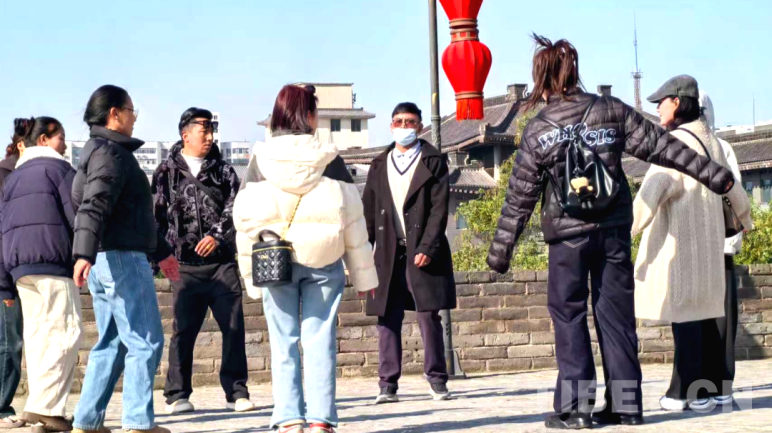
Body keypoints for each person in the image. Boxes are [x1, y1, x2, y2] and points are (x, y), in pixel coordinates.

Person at [486, 36, 737, 430]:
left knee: (569, 317)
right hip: (614, 232)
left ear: (542, 79)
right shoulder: (610, 110)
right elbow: (663, 147)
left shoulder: (538, 130)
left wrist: (501, 250)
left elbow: (520, 196)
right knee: (616, 317)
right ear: (574, 72)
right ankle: (626, 406)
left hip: (567, 238)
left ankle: (577, 409)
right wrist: (716, 176)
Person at [234, 84, 378, 433]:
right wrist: (364, 277)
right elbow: (353, 218)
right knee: (320, 340)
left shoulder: (260, 159)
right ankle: (320, 420)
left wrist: (249, 277)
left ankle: (288, 419)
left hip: (274, 262)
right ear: (309, 116)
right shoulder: (329, 158)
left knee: (282, 341)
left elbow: (244, 221)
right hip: (324, 260)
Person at [632, 77, 752, 412]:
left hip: (682, 245)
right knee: (705, 318)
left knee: (684, 319)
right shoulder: (713, 143)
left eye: (662, 101)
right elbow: (734, 189)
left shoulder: (674, 144)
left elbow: (650, 194)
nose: (657, 108)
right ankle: (711, 391)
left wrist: (622, 230)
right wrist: (745, 218)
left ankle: (682, 393)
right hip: (710, 246)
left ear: (677, 102)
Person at [70, 85, 180, 433]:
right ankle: (137, 423)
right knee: (145, 341)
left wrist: (162, 252)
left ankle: (87, 421)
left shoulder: (94, 152)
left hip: (106, 261)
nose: (134, 118)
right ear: (114, 114)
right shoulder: (111, 154)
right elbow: (94, 205)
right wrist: (83, 252)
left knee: (113, 344)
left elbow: (128, 216)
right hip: (121, 261)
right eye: (131, 111)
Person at [153, 107, 255, 414]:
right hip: (183, 266)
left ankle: (236, 392)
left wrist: (217, 236)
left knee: (233, 327)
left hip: (222, 265)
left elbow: (237, 207)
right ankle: (177, 394)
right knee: (183, 332)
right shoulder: (165, 172)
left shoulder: (224, 171)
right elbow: (156, 217)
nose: (210, 136)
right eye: (204, 130)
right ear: (185, 134)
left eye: (212, 130)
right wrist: (159, 258)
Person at [361, 102, 456, 404]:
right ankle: (387, 384)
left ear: (420, 126)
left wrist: (428, 246)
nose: (404, 127)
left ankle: (437, 380)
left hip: (422, 249)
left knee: (428, 315)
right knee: (387, 317)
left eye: (410, 122)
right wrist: (362, 252)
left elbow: (439, 209)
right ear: (391, 126)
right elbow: (368, 211)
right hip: (387, 250)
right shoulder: (379, 163)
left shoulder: (433, 161)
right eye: (399, 121)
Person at [0, 116, 81, 432]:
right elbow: (78, 218)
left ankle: (36, 408)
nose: (65, 144)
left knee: (37, 339)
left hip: (20, 269)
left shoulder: (14, 177)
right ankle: (48, 411)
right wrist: (88, 255)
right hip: (53, 263)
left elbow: (2, 229)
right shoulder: (60, 170)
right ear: (45, 139)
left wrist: (4, 285)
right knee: (64, 334)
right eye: (61, 137)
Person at [0, 122, 25, 430]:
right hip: (6, 274)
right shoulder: (5, 175)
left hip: (25, 270)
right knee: (10, 342)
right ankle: (1, 406)